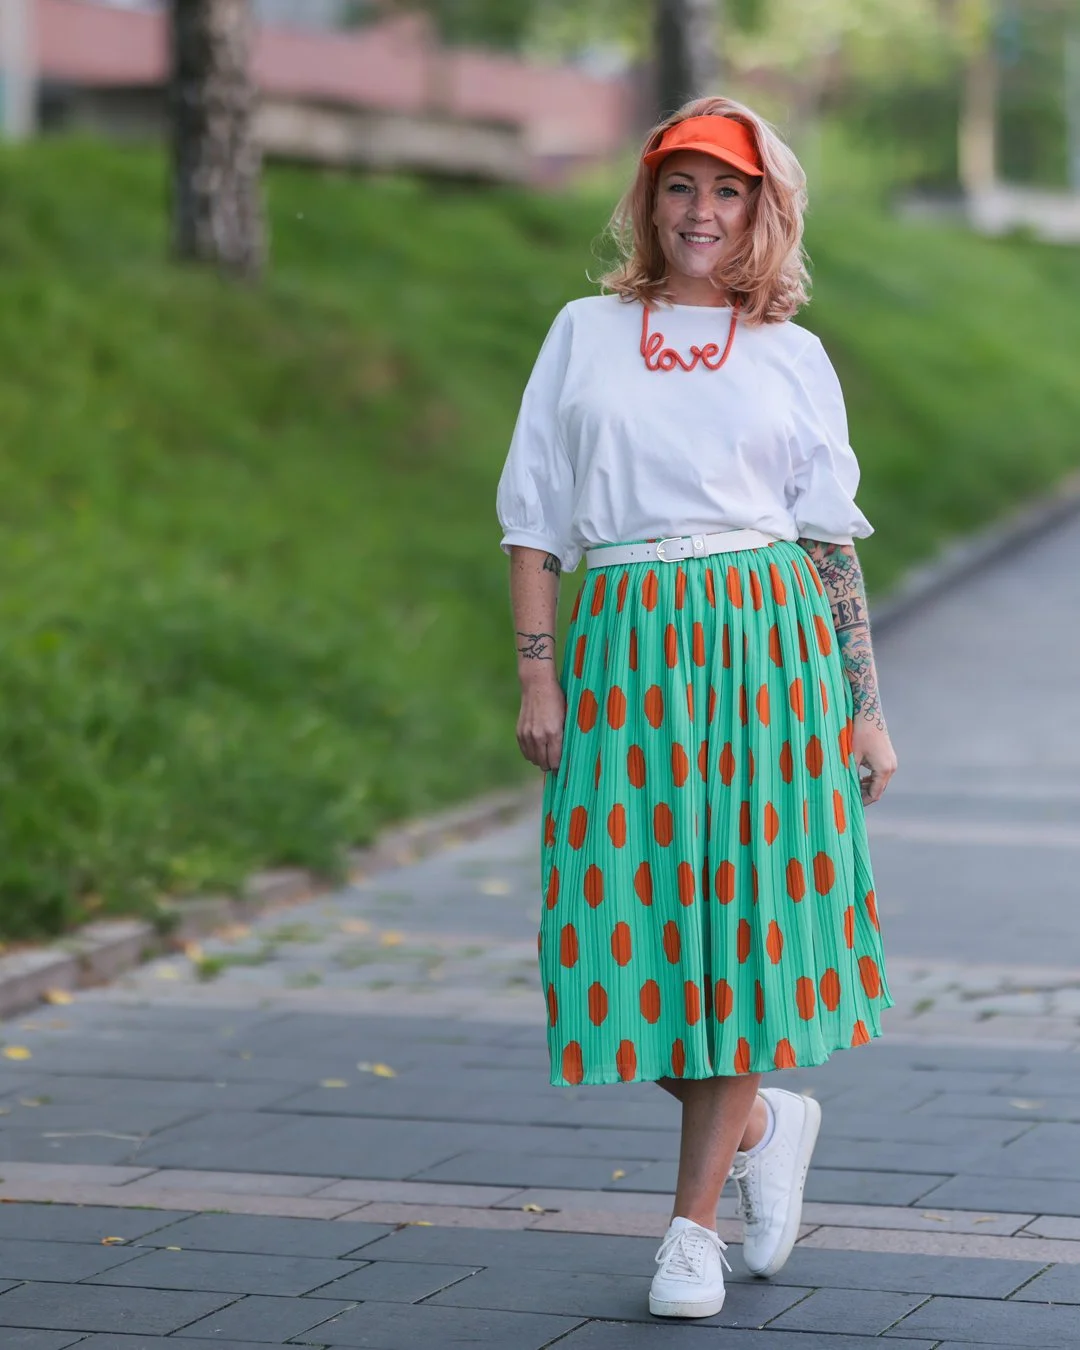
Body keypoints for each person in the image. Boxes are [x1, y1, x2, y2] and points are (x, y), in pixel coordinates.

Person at [495, 95, 897, 1320]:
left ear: (764, 210)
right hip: (623, 639)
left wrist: (864, 705)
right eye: (681, 188)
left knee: (739, 926)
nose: (702, 213)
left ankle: (688, 1231)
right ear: (647, 202)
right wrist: (537, 668)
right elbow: (532, 513)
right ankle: (765, 1121)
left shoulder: (791, 353)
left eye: (728, 192)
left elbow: (828, 538)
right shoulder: (583, 331)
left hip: (766, 645)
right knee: (624, 931)